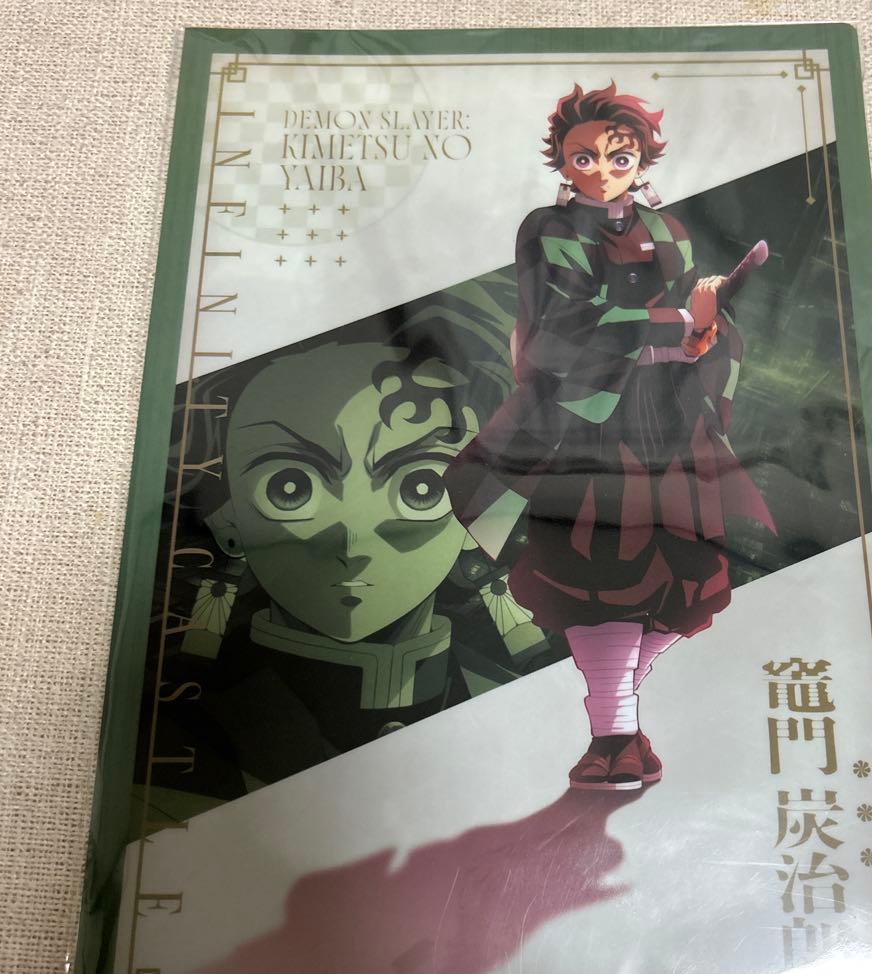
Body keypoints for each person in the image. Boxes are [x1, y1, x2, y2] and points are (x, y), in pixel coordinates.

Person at [446, 84, 773, 792]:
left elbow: (695, 331)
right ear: (562, 161)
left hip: (671, 417)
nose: (599, 170)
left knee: (687, 574)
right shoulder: (548, 227)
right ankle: (613, 735)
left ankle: (618, 725)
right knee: (597, 574)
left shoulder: (669, 230)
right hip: (584, 421)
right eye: (583, 157)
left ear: (642, 160)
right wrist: (677, 323)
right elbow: (564, 325)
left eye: (617, 157)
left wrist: (706, 324)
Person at [139, 279, 565, 819]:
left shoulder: (545, 714)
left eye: (421, 486)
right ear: (227, 518)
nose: (352, 538)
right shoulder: (176, 748)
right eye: (290, 487)